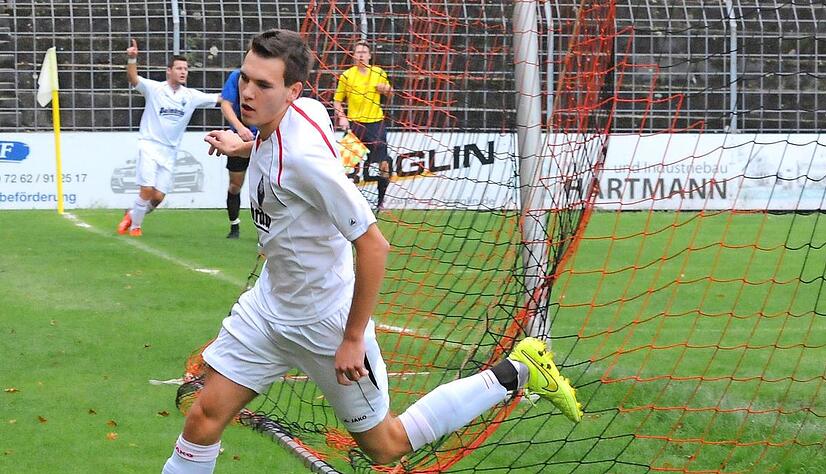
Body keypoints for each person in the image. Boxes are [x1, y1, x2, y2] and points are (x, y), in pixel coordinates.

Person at [161, 29, 582, 474]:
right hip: (268, 311)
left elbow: (373, 245)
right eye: (245, 78)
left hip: (326, 323)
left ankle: (517, 371)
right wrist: (243, 145)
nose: (247, 91)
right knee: (203, 417)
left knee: (386, 446)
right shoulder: (306, 110)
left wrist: (352, 338)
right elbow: (278, 137)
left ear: (292, 92)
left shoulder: (304, 163)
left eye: (264, 85)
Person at [117, 39, 222, 237]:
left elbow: (219, 98)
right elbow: (133, 79)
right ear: (169, 71)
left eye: (186, 69)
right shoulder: (155, 89)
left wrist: (243, 87)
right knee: (146, 190)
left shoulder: (191, 96)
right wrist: (132, 58)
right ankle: (135, 228)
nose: (183, 72)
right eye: (179, 68)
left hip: (170, 151)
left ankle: (132, 214)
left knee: (157, 197)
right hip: (149, 145)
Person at [333, 40, 393, 212]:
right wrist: (342, 118)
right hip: (355, 124)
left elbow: (390, 93)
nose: (360, 55)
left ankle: (381, 202)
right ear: (353, 55)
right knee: (342, 166)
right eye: (357, 52)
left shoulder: (378, 72)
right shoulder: (347, 75)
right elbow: (337, 101)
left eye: (363, 52)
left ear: (369, 56)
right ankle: (341, 203)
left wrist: (385, 90)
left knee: (384, 164)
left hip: (376, 123)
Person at [219, 68, 257, 239]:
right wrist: (240, 128)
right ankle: (234, 226)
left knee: (268, 186)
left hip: (264, 138)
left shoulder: (271, 78)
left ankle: (268, 230)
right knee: (235, 185)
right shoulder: (236, 77)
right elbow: (225, 104)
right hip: (239, 140)